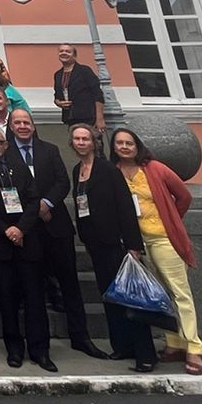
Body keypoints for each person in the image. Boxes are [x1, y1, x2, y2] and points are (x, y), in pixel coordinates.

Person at [6, 110, 107, 360]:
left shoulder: (49, 150)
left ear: (33, 125)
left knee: (70, 285)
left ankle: (81, 338)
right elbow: (7, 191)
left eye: (26, 122)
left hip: (56, 226)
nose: (22, 126)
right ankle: (40, 348)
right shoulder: (5, 155)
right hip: (28, 230)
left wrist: (47, 204)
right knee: (33, 290)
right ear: (10, 126)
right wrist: (34, 211)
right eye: (17, 123)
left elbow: (62, 182)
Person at [113, 125, 202, 374]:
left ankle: (194, 347)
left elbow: (184, 196)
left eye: (128, 143)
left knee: (180, 292)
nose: (124, 147)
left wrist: (172, 221)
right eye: (119, 143)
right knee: (159, 294)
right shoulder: (116, 172)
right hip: (138, 242)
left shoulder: (155, 169)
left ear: (137, 146)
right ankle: (174, 342)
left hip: (163, 239)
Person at [0, 125, 56, 372]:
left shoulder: (20, 164)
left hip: (26, 239)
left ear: (6, 143)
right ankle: (14, 349)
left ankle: (40, 351)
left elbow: (32, 199)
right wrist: (5, 230)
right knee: (7, 299)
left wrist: (21, 229)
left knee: (35, 298)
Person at [69, 123, 155, 372]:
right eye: (77, 139)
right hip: (95, 243)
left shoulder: (108, 170)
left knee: (130, 297)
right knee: (111, 296)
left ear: (94, 142)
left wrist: (133, 245)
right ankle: (122, 346)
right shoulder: (77, 171)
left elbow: (125, 207)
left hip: (116, 243)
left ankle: (145, 354)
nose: (81, 143)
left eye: (85, 138)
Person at [53, 43, 106, 131]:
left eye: (68, 51)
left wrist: (100, 119)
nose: (63, 53)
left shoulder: (84, 71)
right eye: (61, 51)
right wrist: (58, 102)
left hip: (88, 117)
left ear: (74, 55)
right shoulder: (58, 74)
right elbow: (57, 95)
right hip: (70, 118)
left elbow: (98, 95)